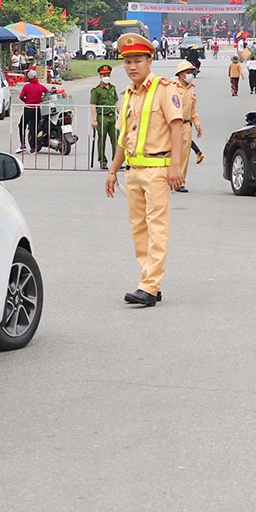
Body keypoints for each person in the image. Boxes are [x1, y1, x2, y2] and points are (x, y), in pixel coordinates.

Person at [103, 33, 184, 307]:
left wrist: (176, 166)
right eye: (127, 62)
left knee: (157, 228)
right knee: (138, 228)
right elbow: (123, 139)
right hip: (133, 171)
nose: (132, 67)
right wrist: (113, 171)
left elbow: (177, 128)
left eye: (137, 60)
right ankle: (151, 280)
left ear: (150, 61)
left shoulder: (164, 89)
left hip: (158, 169)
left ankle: (148, 287)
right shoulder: (126, 95)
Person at [173, 60, 202, 193]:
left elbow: (193, 109)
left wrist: (197, 124)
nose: (190, 75)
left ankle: (180, 182)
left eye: (191, 72)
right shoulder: (172, 86)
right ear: (180, 74)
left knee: (184, 155)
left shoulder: (192, 87)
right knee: (169, 153)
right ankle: (165, 179)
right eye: (188, 72)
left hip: (186, 124)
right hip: (172, 124)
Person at [90, 64, 119, 169]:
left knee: (116, 139)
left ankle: (116, 161)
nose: (106, 76)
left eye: (108, 74)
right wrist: (94, 120)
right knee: (102, 139)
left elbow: (116, 102)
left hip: (113, 117)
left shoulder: (112, 88)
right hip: (102, 117)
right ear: (100, 76)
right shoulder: (96, 90)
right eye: (104, 75)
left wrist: (120, 114)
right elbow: (93, 105)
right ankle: (103, 161)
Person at [18, 70, 49, 153]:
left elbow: (21, 96)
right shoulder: (41, 87)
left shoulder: (26, 87)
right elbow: (48, 93)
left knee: (22, 126)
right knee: (34, 129)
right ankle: (33, 148)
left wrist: (26, 101)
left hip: (28, 109)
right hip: (37, 109)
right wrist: (41, 100)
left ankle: (23, 144)